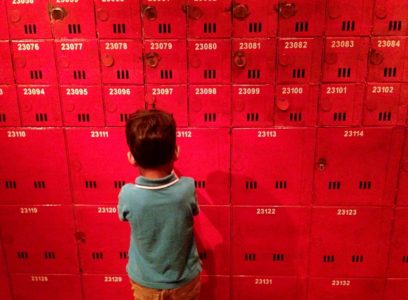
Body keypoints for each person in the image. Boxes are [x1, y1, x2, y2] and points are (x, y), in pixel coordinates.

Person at [118, 109, 202, 300]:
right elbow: (193, 210)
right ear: (176, 152)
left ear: (131, 157)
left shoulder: (128, 194)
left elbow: (123, 216)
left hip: (145, 283)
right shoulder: (187, 188)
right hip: (184, 281)